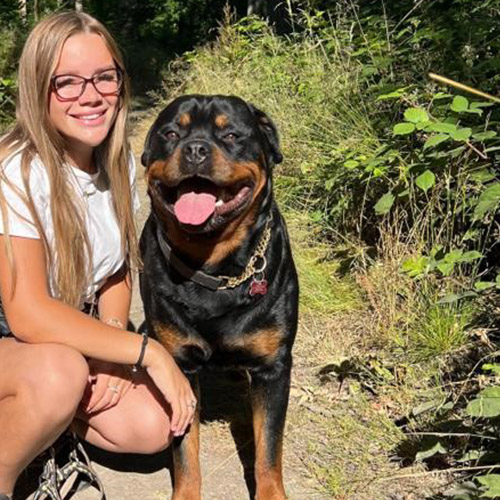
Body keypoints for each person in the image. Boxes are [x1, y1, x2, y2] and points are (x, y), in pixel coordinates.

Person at [0, 11, 197, 500]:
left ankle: (42, 418)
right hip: (17, 334)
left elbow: (117, 270)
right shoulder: (16, 172)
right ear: (36, 90)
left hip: (54, 336)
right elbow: (27, 313)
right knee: (59, 373)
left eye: (104, 76)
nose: (91, 95)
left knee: (152, 426)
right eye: (65, 83)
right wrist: (146, 352)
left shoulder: (118, 161)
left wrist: (110, 340)